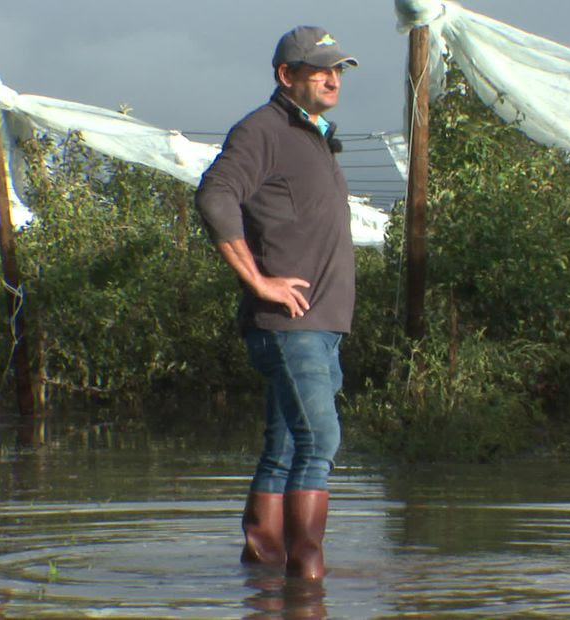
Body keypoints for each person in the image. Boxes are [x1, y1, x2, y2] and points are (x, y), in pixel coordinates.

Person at [194, 25, 357, 580]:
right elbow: (215, 194)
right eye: (320, 70)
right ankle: (306, 580)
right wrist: (258, 281)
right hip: (291, 326)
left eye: (337, 69)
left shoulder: (314, 135)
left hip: (322, 326)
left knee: (286, 447)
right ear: (287, 76)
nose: (333, 78)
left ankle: (263, 574)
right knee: (320, 440)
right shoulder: (263, 129)